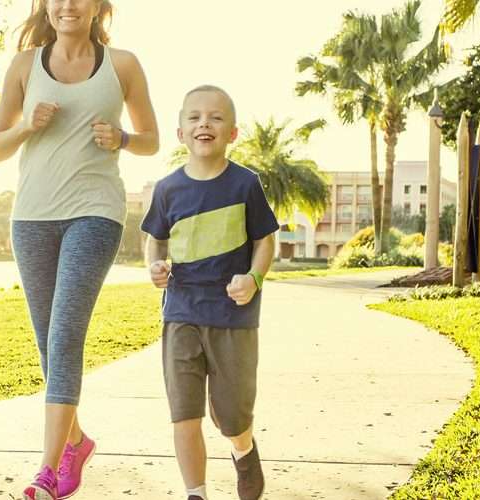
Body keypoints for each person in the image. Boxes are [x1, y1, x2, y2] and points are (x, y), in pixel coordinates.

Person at [0, 0, 159, 498]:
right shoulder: (24, 65)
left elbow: (150, 139)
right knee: (48, 346)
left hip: (95, 213)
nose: (67, 5)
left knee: (64, 337)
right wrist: (27, 126)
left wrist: (122, 137)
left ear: (98, 6)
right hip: (31, 218)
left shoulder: (122, 64)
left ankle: (47, 468)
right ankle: (77, 441)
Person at [141, 85, 278, 500]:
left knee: (232, 416)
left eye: (216, 118)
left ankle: (243, 448)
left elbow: (265, 240)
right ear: (180, 132)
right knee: (184, 413)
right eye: (195, 117)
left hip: (232, 316)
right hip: (180, 311)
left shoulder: (245, 185)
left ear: (232, 133)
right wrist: (155, 266)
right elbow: (154, 239)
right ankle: (195, 492)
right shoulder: (167, 189)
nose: (205, 123)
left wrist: (253, 279)